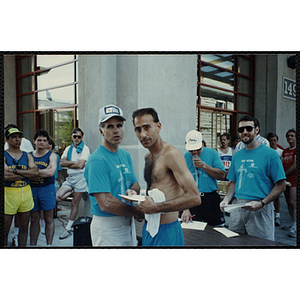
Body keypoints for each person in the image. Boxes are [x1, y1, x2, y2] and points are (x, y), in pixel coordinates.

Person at [132, 108, 201, 246]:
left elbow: (194, 197)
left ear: (158, 126)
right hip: (149, 228)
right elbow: (156, 192)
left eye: (147, 128)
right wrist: (142, 208)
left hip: (167, 232)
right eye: (138, 129)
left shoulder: (171, 154)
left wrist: (155, 208)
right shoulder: (148, 157)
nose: (143, 134)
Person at [84, 104, 144, 246]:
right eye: (110, 126)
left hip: (127, 222)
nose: (116, 131)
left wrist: (133, 191)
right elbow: (106, 203)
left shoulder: (125, 155)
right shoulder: (97, 159)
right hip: (107, 225)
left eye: (119, 125)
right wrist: (137, 211)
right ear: (101, 131)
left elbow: (135, 183)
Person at [220, 115, 286, 241]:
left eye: (249, 128)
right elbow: (233, 182)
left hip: (260, 208)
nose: (245, 132)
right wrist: (226, 200)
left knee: (260, 247)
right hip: (237, 208)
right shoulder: (237, 155)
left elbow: (281, 185)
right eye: (241, 129)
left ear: (257, 130)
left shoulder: (270, 154)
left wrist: (262, 203)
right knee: (235, 245)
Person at [181, 130, 226, 226]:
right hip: (192, 199)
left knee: (215, 231)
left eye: (198, 149)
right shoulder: (184, 157)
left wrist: (204, 166)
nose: (195, 152)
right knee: (192, 231)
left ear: (202, 144)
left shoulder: (212, 153)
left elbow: (222, 175)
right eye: (191, 150)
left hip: (210, 198)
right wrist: (185, 208)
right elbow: (180, 184)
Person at [4, 127, 39, 247]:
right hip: (8, 194)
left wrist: (15, 171)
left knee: (24, 228)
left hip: (25, 194)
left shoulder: (27, 155)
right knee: (5, 230)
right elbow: (5, 176)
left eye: (19, 137)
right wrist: (25, 173)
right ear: (7, 140)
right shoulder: (4, 154)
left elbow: (35, 173)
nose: (17, 139)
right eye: (13, 137)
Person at [56, 128, 90, 240]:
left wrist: (69, 163)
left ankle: (69, 227)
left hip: (81, 178)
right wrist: (75, 163)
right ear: (72, 137)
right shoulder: (68, 149)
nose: (76, 139)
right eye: (75, 136)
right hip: (70, 178)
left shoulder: (85, 149)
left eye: (79, 137)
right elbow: (61, 162)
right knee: (58, 197)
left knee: (75, 203)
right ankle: (72, 190)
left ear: (82, 137)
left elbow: (81, 166)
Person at [30, 129, 57, 246]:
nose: (41, 142)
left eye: (44, 140)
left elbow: (51, 173)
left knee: (49, 219)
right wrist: (43, 171)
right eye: (39, 140)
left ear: (47, 143)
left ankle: (49, 246)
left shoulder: (52, 155)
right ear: (34, 141)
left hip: (47, 189)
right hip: (32, 189)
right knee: (34, 219)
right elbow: (25, 174)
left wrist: (32, 173)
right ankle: (33, 245)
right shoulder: (29, 155)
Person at [40, 137, 62, 234]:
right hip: (41, 183)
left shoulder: (55, 156)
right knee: (41, 206)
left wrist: (57, 180)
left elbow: (57, 170)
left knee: (50, 205)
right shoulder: (39, 156)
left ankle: (49, 220)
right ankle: (42, 223)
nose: (48, 145)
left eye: (49, 143)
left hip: (53, 182)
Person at [281, 129, 297, 238]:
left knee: (293, 202)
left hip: (294, 179)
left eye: (292, 136)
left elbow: (295, 165)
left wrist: (284, 173)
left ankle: (295, 226)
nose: (289, 138)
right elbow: (282, 163)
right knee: (288, 202)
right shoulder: (285, 151)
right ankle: (293, 222)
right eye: (288, 136)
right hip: (285, 179)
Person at [267, 132, 283, 226]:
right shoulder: (266, 152)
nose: (273, 142)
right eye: (271, 141)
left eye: (274, 140)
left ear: (277, 141)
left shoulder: (281, 152)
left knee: (276, 197)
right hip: (268, 178)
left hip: (277, 177)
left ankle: (277, 216)